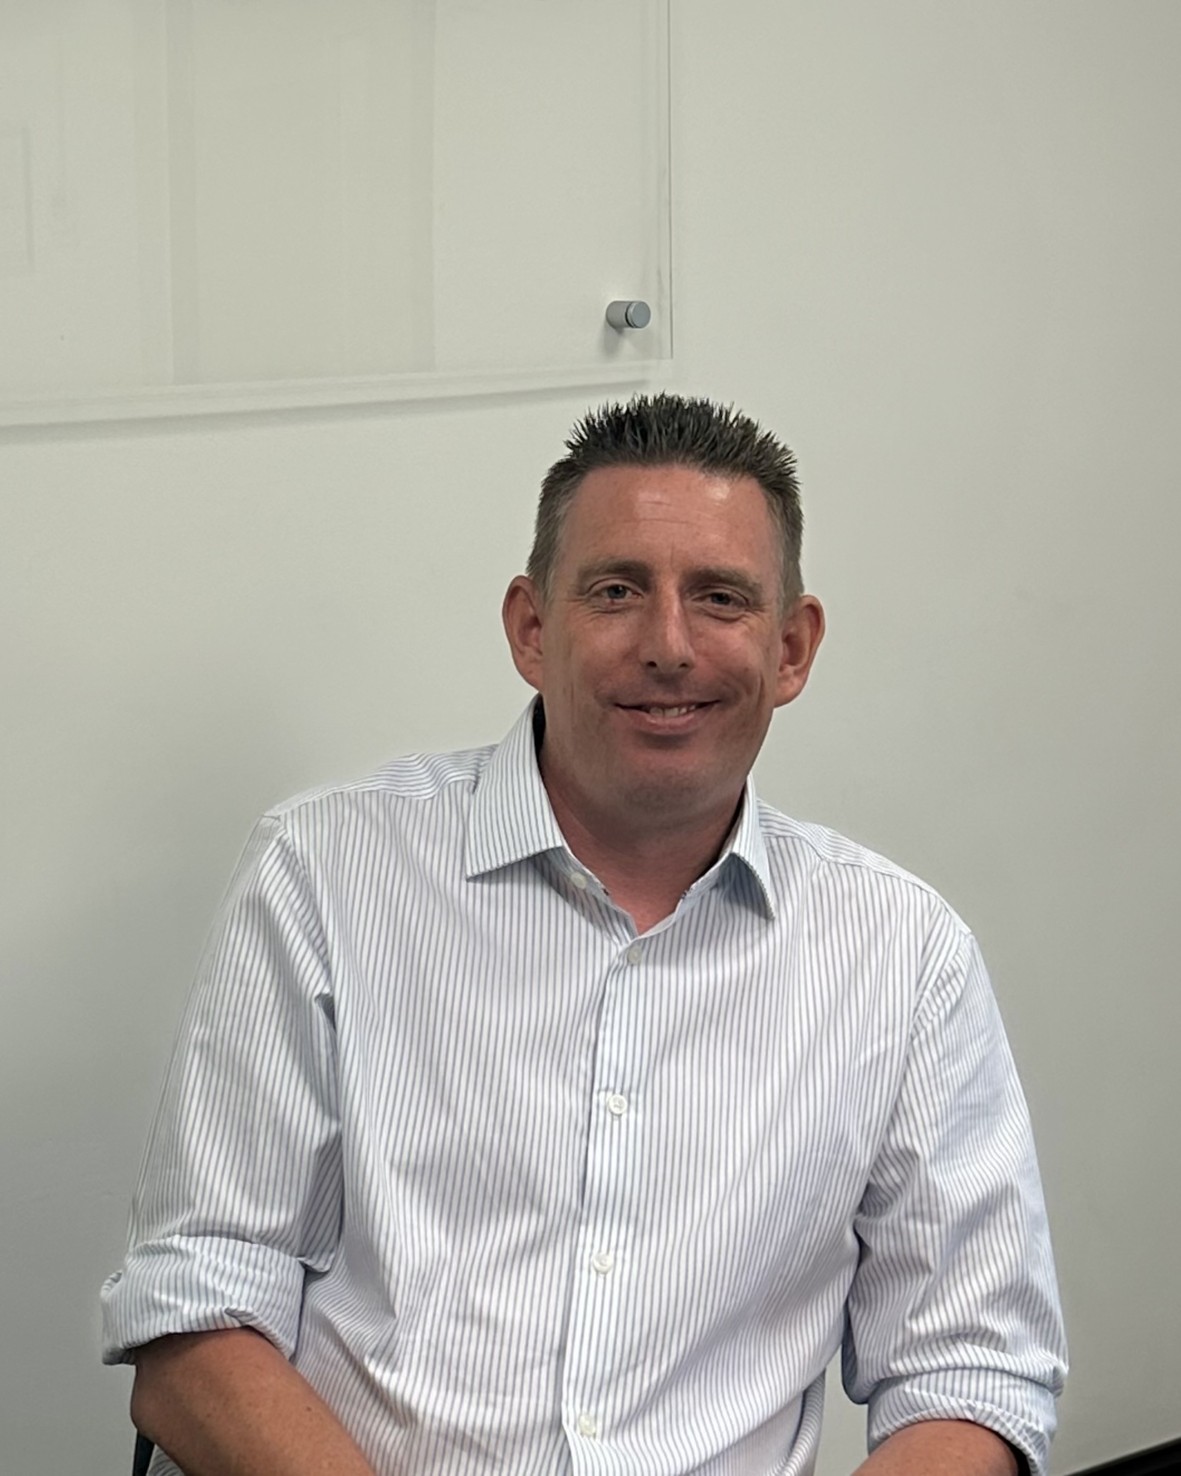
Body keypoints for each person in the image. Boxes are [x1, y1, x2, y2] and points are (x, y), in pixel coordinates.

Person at [102, 393, 1067, 1476]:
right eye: (616, 591)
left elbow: (969, 1371)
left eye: (720, 599)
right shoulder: (325, 873)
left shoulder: (903, 957)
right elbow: (194, 1313)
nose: (668, 646)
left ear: (792, 648)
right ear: (530, 628)